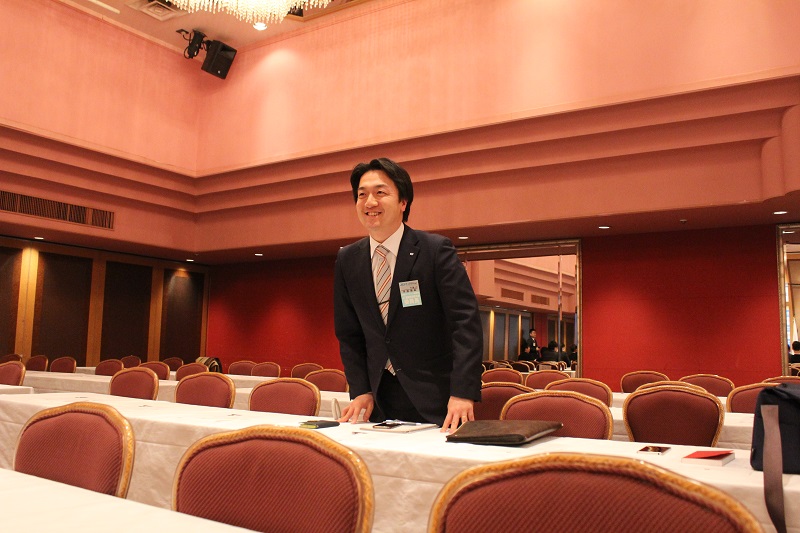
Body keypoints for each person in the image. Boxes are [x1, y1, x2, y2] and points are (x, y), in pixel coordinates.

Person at [334, 158, 483, 433]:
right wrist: (361, 389)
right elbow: (349, 333)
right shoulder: (348, 259)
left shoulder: (435, 250)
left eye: (380, 192)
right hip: (378, 401)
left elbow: (466, 324)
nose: (370, 202)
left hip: (438, 400)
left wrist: (463, 392)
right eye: (362, 195)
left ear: (403, 202)